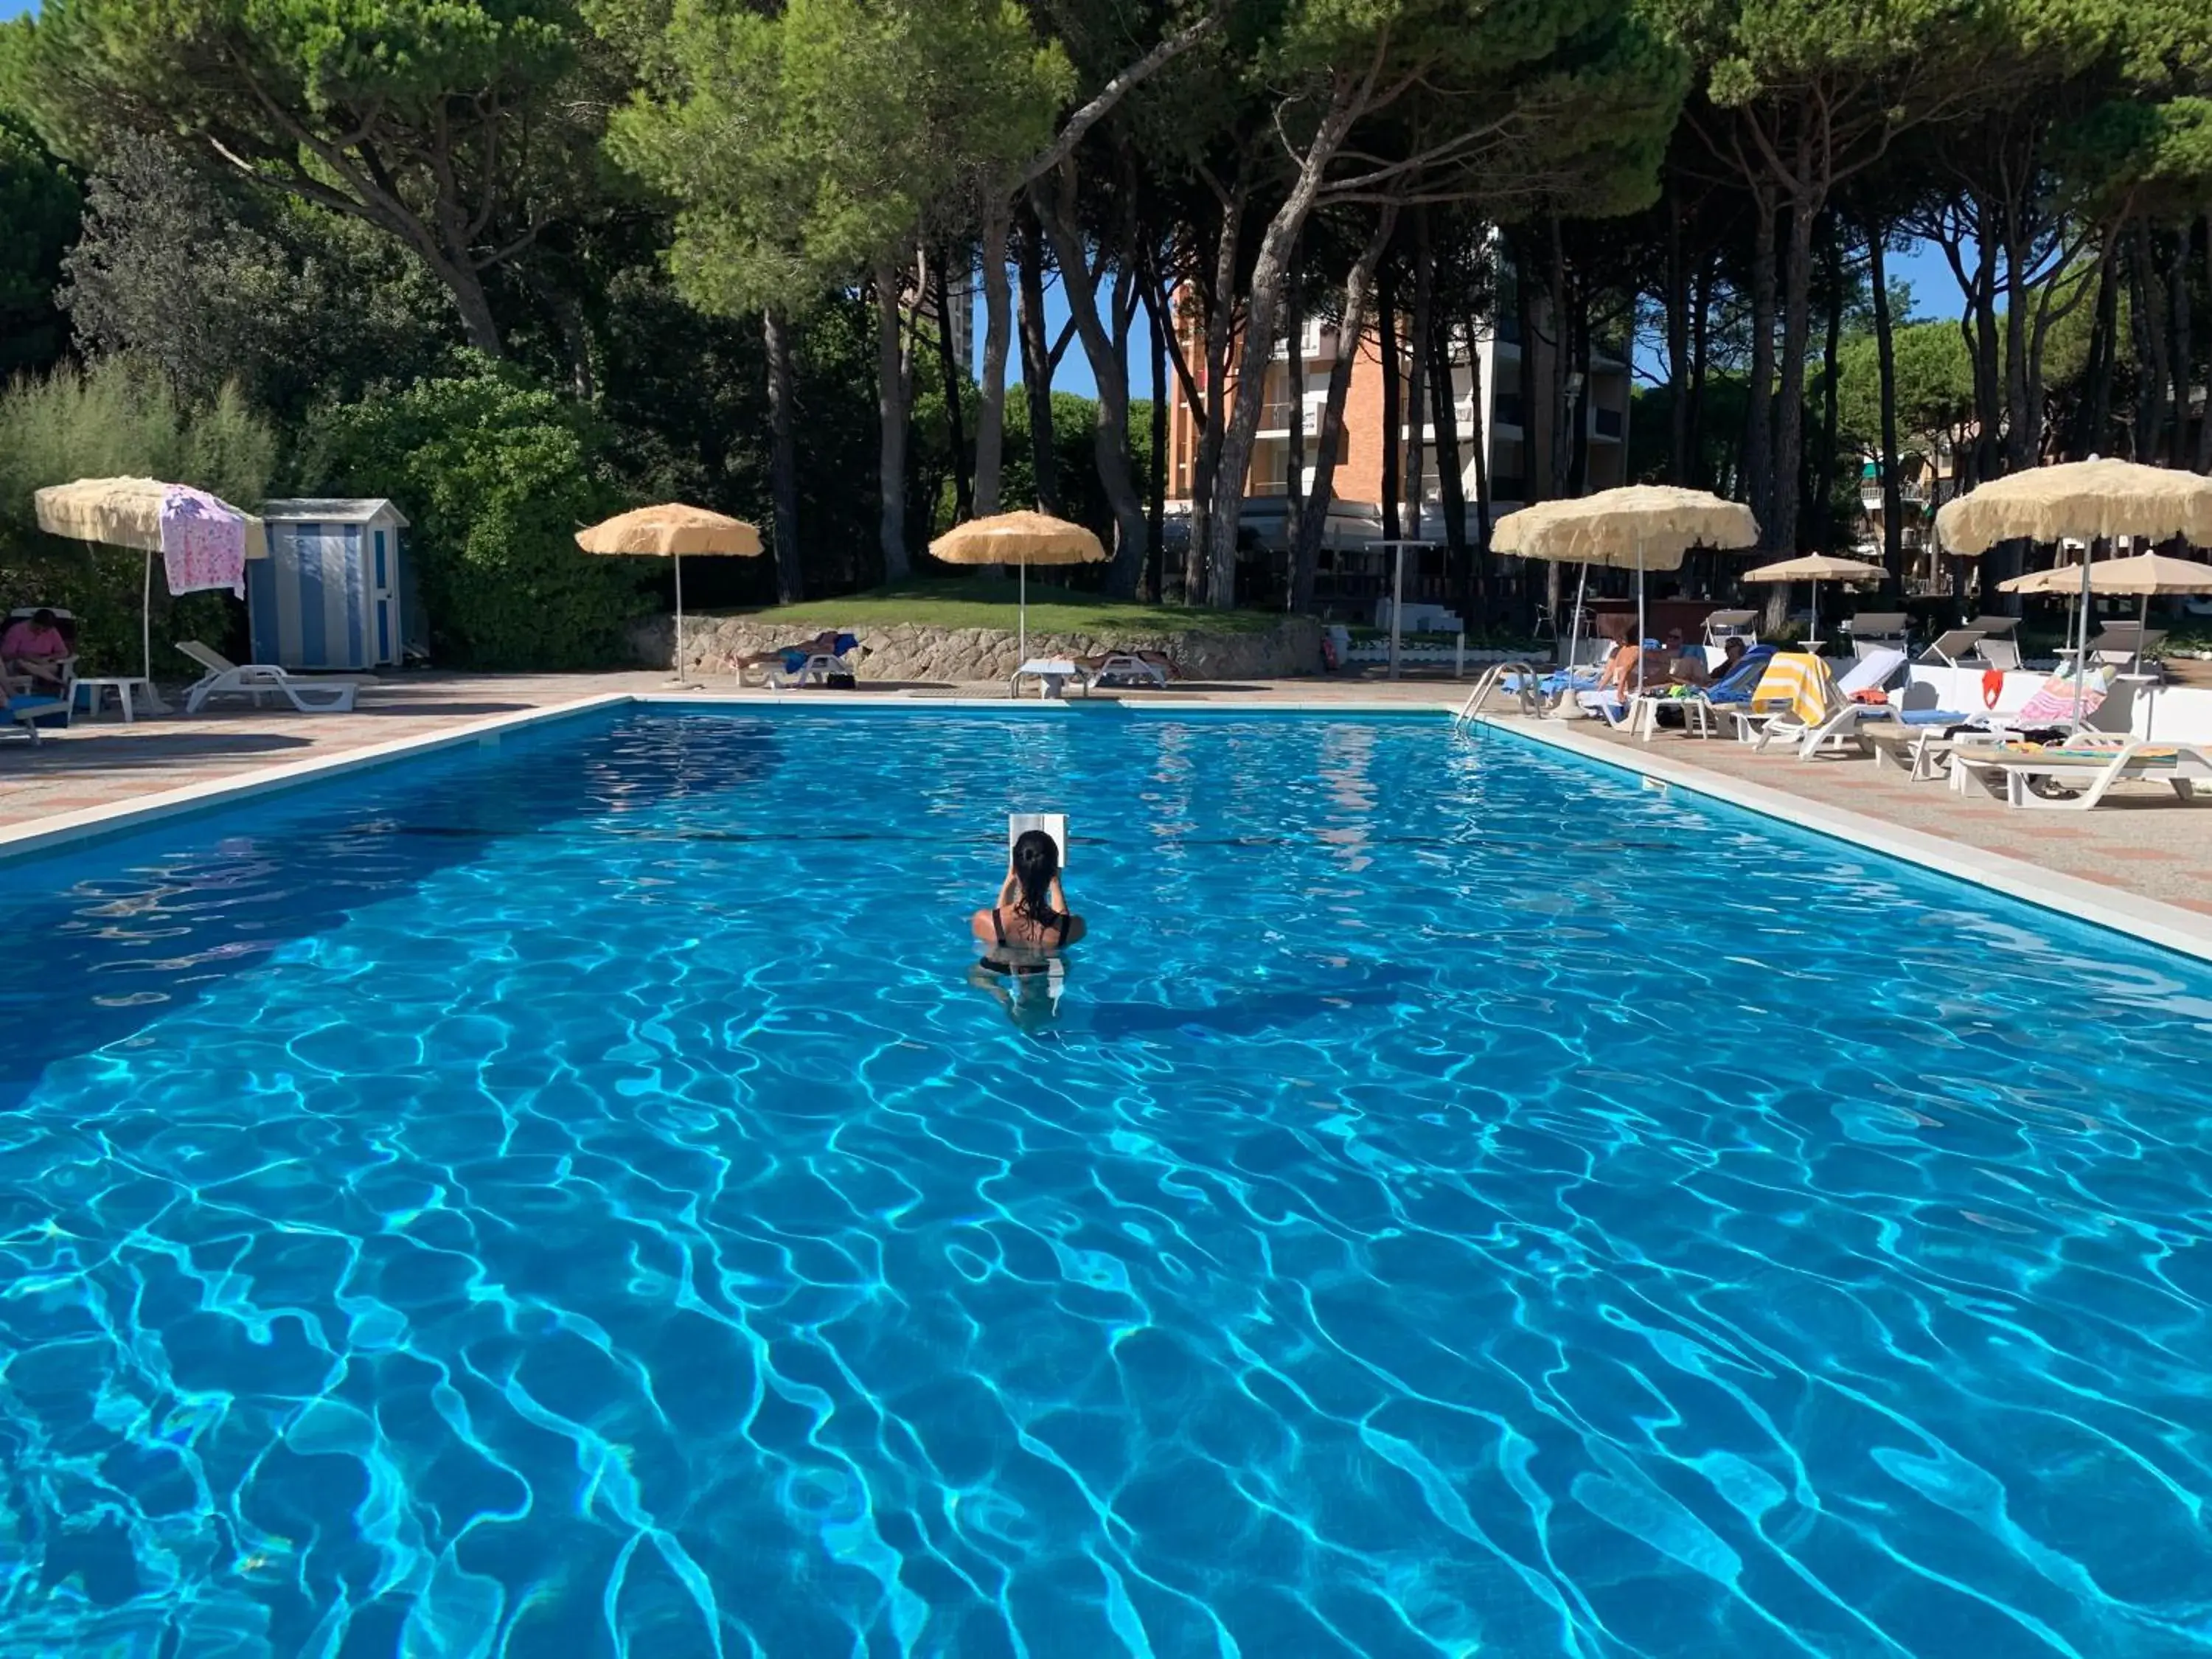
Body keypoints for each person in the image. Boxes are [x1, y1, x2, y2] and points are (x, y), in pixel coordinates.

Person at [972, 828, 1085, 970]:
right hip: (1045, 972)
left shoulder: (984, 921)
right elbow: (1063, 922)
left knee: (978, 973)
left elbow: (999, 921)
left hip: (996, 972)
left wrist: (1010, 878)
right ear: (1053, 871)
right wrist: (1055, 883)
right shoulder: (1075, 927)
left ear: (1016, 870)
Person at [1, 610, 70, 690]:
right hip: (20, 662)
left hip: (42, 662)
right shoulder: (17, 630)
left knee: (53, 667)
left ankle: (51, 680)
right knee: (21, 664)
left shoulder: (52, 632)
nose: (40, 632)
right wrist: (23, 655)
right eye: (37, 628)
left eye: (44, 631)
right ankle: (55, 680)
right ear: (33, 621)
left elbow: (64, 652)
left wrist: (49, 658)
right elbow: (5, 655)